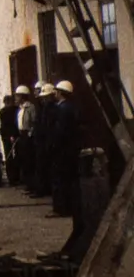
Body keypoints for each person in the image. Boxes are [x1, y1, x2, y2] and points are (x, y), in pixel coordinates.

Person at [47, 80, 81, 219]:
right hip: (70, 150)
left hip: (61, 151)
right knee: (69, 180)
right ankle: (70, 207)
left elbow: (59, 131)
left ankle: (61, 208)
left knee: (59, 179)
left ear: (60, 93)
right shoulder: (71, 107)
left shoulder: (61, 110)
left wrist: (53, 145)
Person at [31, 82, 57, 197]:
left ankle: (43, 189)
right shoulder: (45, 107)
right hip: (44, 141)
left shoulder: (48, 109)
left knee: (44, 166)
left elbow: (45, 126)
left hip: (45, 142)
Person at [15, 85, 37, 189]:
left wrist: (30, 134)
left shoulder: (30, 108)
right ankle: (28, 184)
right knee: (23, 160)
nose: (16, 98)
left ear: (22, 97)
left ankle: (32, 185)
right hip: (21, 135)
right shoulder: (20, 109)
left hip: (28, 136)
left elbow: (33, 122)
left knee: (29, 161)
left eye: (17, 96)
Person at [0, 94, 19, 185]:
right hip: (13, 135)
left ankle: (12, 178)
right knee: (15, 155)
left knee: (9, 156)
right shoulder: (15, 110)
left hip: (7, 136)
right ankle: (16, 176)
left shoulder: (2, 111)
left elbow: (5, 125)